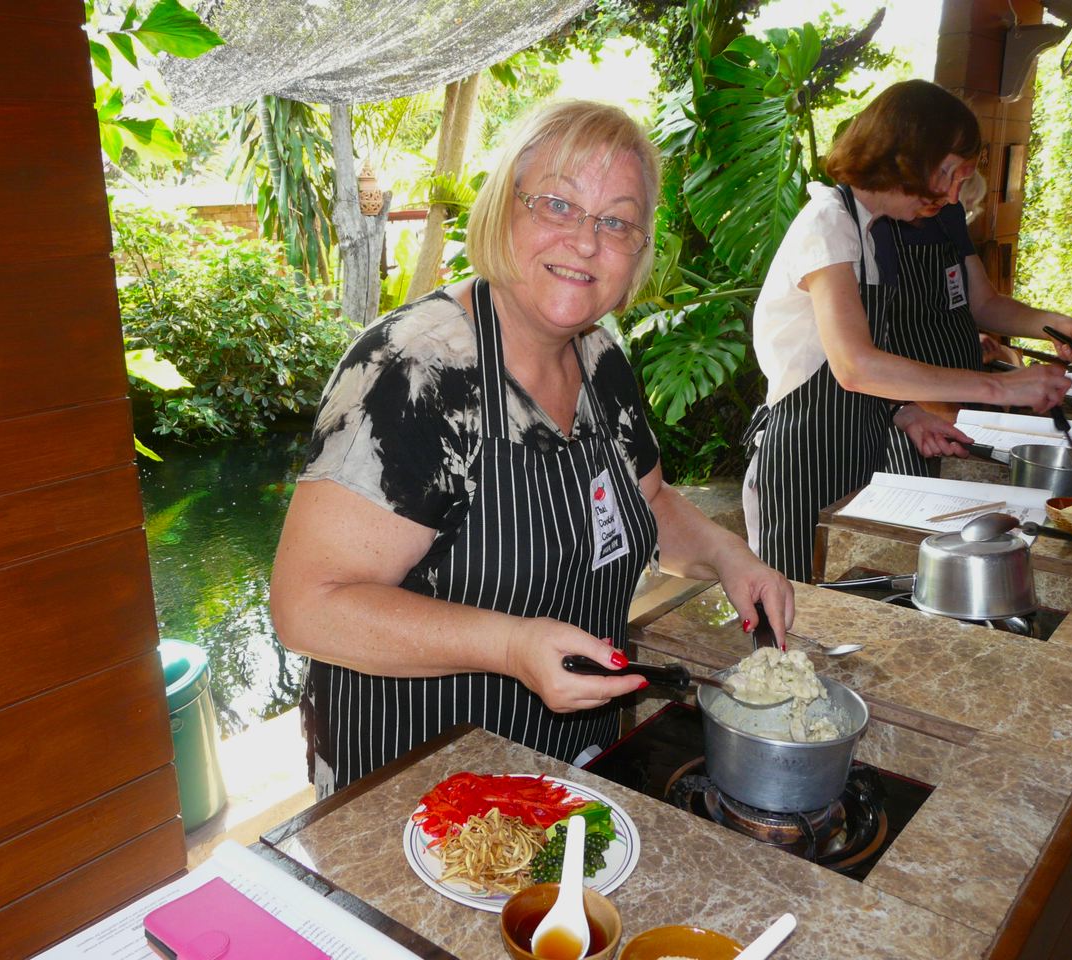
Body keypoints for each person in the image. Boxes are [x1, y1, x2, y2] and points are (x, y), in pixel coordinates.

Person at [271, 101, 793, 798]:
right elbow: (307, 608)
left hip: (566, 769)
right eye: (558, 204)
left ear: (638, 249)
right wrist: (512, 648)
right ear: (502, 210)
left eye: (616, 221)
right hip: (419, 786)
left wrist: (729, 556)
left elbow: (650, 500)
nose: (586, 241)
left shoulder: (600, 357)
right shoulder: (415, 370)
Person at [744, 79, 1072, 583]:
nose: (952, 195)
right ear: (904, 156)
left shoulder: (864, 230)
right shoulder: (828, 223)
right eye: (947, 173)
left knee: (844, 592)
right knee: (794, 599)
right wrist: (1001, 387)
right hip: (802, 455)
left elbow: (847, 361)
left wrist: (904, 412)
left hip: (856, 444)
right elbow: (853, 365)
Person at [868, 165, 1072, 477]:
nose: (954, 195)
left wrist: (1054, 324)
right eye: (949, 175)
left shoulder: (948, 214)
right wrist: (922, 405)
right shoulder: (873, 225)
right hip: (911, 413)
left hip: (968, 401)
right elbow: (861, 354)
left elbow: (984, 303)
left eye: (961, 181)